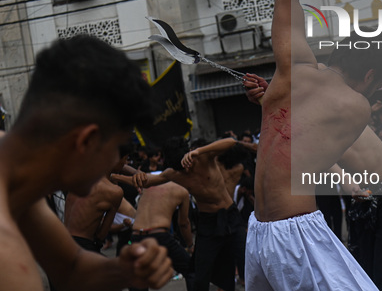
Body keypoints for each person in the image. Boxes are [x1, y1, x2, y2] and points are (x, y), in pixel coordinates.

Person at [243, 0, 382, 291]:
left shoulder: (292, 73)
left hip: (259, 231)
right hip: (295, 232)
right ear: (370, 75)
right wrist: (271, 100)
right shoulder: (356, 105)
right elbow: (306, 140)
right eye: (379, 84)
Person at [0, 35, 172, 291]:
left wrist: (124, 270)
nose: (118, 160)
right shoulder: (9, 260)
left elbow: (71, 267)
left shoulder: (18, 184)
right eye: (117, 147)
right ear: (87, 141)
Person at [129, 137, 246, 291]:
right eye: (182, 170)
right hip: (207, 222)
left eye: (187, 165)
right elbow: (147, 181)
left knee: (246, 261)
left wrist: (199, 150)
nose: (187, 171)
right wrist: (116, 175)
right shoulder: (173, 173)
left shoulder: (203, 157)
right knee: (200, 274)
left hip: (230, 216)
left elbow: (231, 142)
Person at [112, 146, 196, 291]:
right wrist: (190, 245)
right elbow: (184, 224)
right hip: (159, 235)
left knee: (139, 278)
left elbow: (133, 180)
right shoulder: (181, 190)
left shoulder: (150, 181)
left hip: (137, 235)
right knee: (192, 271)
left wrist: (112, 176)